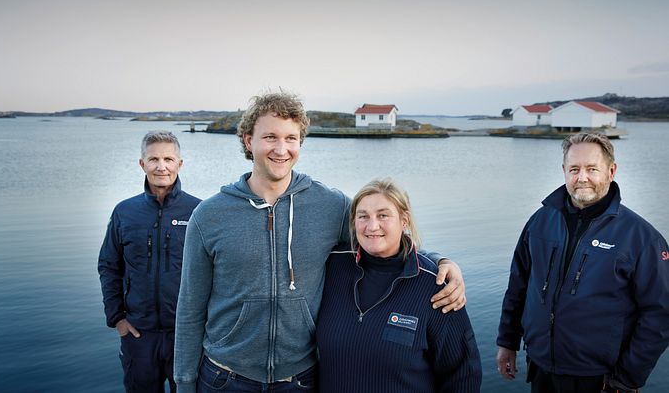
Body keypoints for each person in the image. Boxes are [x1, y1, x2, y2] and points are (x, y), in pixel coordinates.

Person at [174, 91, 467, 393]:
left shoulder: (331, 206)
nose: (281, 149)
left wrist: (439, 261)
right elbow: (190, 310)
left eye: (291, 138)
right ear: (249, 141)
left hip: (299, 381)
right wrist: (184, 384)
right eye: (270, 137)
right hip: (225, 378)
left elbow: (380, 237)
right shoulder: (209, 216)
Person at [496, 132, 669, 392]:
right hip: (542, 369)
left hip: (602, 379)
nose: (582, 178)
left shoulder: (642, 238)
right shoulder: (540, 222)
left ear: (611, 171)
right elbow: (518, 285)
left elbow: (660, 315)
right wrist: (508, 342)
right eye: (574, 169)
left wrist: (627, 377)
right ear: (564, 171)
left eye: (592, 169)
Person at [317, 179, 482, 392]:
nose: (372, 226)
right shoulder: (333, 266)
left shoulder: (436, 285)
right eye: (363, 216)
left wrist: (442, 261)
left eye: (383, 215)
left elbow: (463, 375)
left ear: (404, 220)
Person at [99, 131, 201, 392]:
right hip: (138, 335)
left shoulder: (199, 211)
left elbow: (217, 273)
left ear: (180, 163)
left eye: (168, 158)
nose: (161, 166)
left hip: (186, 336)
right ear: (142, 164)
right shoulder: (125, 212)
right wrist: (117, 319)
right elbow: (109, 266)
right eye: (153, 159)